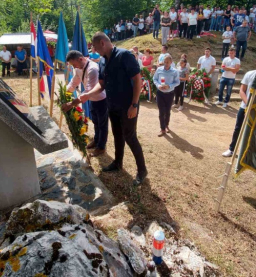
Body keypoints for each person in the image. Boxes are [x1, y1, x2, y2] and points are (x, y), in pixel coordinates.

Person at [81, 32, 147, 186]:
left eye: (96, 47)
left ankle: (142, 170)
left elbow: (138, 80)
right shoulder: (103, 61)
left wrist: (134, 104)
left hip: (128, 106)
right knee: (117, 135)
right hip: (112, 106)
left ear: (102, 43)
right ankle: (118, 163)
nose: (95, 51)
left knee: (130, 137)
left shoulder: (125, 55)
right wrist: (88, 94)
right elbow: (102, 84)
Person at [62, 50, 108, 157]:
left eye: (74, 64)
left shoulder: (93, 69)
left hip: (102, 100)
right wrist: (65, 93)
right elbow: (74, 82)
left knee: (102, 124)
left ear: (81, 59)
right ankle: (96, 141)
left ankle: (101, 147)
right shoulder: (79, 68)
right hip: (92, 100)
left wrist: (71, 104)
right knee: (95, 122)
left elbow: (88, 91)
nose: (74, 67)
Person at [222, 56, 256, 157]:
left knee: (255, 130)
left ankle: (250, 152)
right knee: (238, 128)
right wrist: (248, 104)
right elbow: (242, 90)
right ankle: (231, 149)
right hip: (245, 107)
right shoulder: (249, 74)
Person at [153, 54, 180, 136]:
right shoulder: (159, 69)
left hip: (169, 94)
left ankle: (166, 125)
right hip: (160, 93)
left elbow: (177, 82)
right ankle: (162, 129)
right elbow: (155, 79)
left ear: (171, 62)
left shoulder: (175, 71)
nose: (166, 63)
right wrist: (158, 85)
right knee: (161, 111)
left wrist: (169, 86)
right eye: (164, 62)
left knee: (167, 111)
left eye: (167, 62)